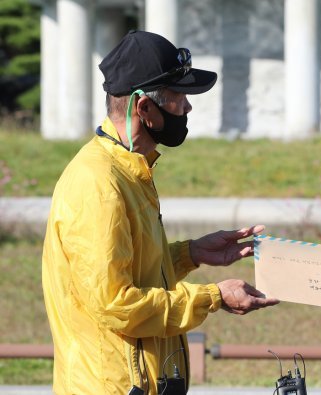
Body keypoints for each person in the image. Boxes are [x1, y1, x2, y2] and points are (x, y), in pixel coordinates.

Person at [42, 30, 279, 395]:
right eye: (178, 97)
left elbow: (129, 268)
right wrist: (213, 297)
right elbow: (116, 303)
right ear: (144, 108)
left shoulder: (129, 169)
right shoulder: (98, 186)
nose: (187, 108)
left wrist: (190, 253)